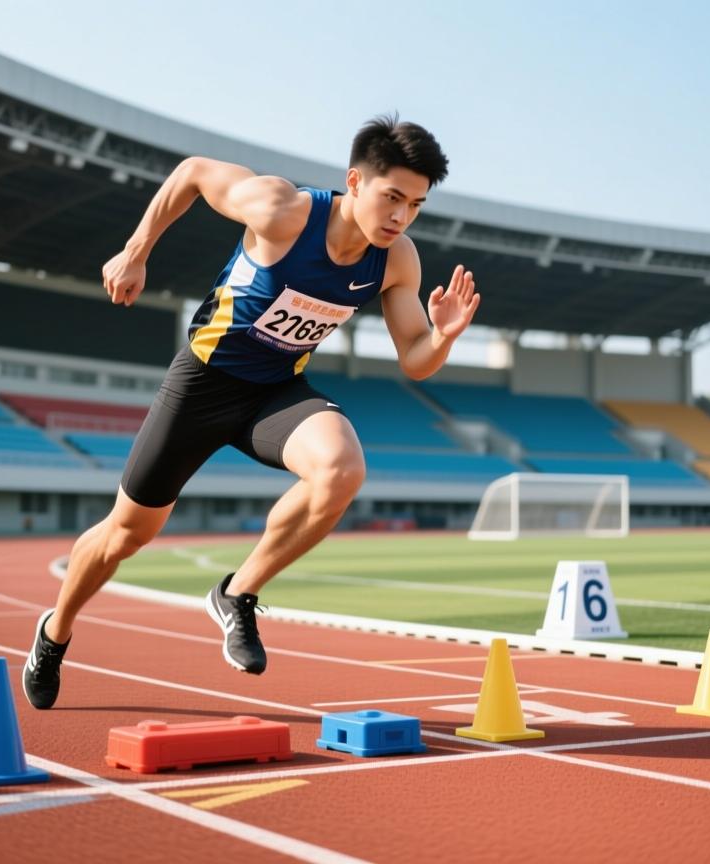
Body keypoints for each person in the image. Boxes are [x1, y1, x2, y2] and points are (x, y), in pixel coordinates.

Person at [23, 114, 479, 709]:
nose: (400, 217)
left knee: (342, 470)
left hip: (275, 393)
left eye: (415, 206)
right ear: (356, 182)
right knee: (126, 535)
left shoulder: (397, 261)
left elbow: (415, 360)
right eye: (392, 197)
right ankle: (54, 633)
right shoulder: (281, 209)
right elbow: (192, 173)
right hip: (203, 384)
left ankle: (237, 593)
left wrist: (443, 337)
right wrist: (136, 253)